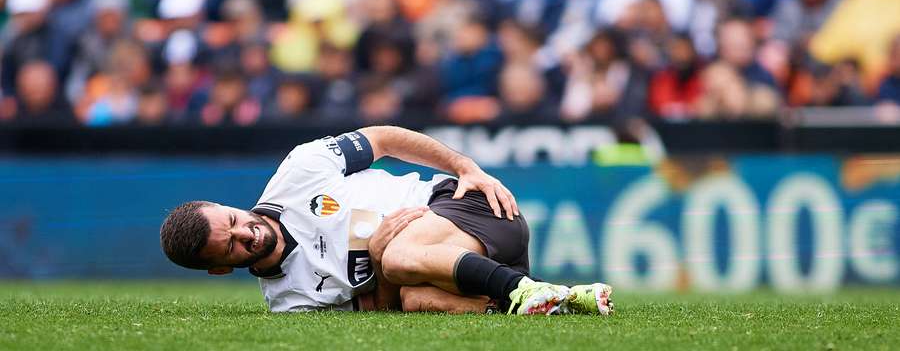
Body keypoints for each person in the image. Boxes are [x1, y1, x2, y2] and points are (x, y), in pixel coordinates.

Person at [160, 126, 613, 315]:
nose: (246, 231)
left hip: (470, 209)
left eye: (233, 220)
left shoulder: (299, 171)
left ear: (226, 205)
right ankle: (559, 302)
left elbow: (384, 138)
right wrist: (376, 259)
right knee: (414, 297)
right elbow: (384, 311)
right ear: (220, 269)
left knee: (396, 258)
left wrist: (465, 168)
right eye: (232, 245)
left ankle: (522, 290)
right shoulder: (289, 302)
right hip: (461, 271)